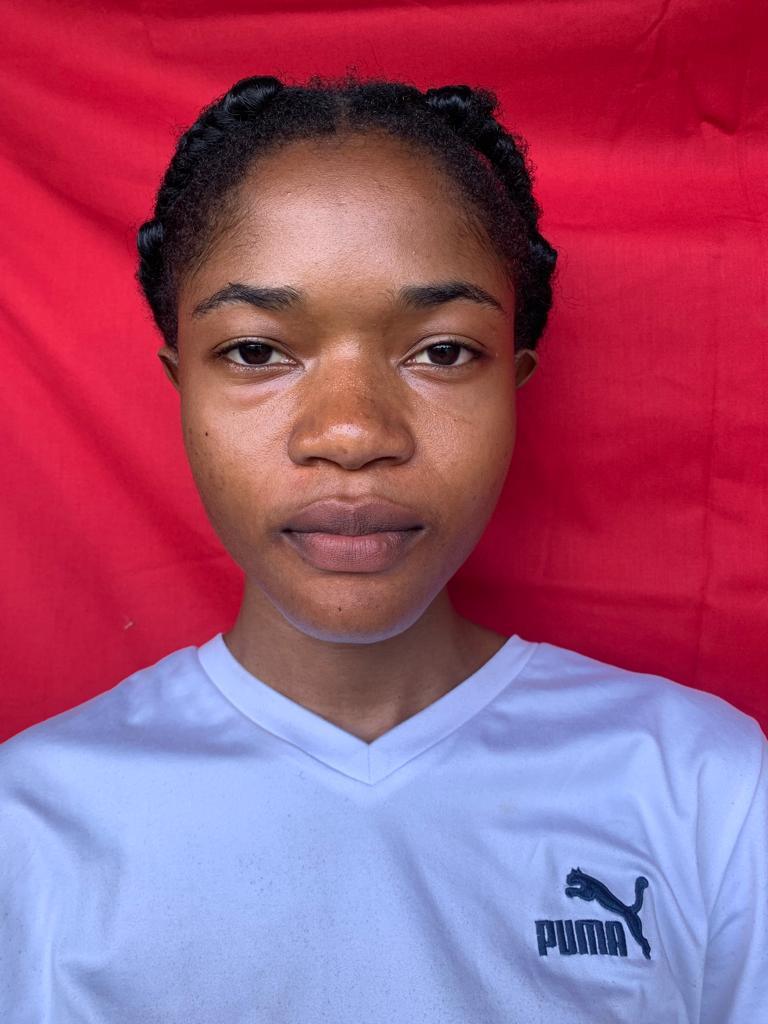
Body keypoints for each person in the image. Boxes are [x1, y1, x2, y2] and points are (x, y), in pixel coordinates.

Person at [1, 74, 765, 1024]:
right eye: (256, 352)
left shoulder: (703, 793)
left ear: (514, 383)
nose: (353, 434)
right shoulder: (30, 826)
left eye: (442, 352)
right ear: (181, 385)